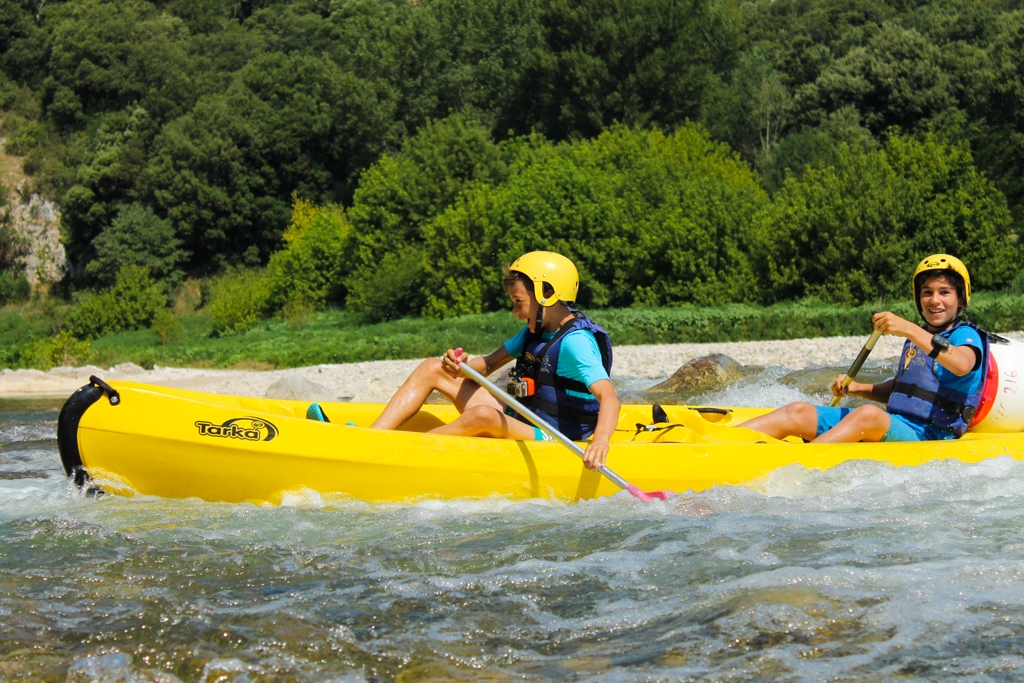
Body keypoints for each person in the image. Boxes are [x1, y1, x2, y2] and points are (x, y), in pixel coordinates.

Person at [370, 251, 621, 470]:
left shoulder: (575, 342)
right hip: (527, 417)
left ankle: (402, 454)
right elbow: (487, 365)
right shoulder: (534, 331)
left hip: (557, 435)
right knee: (431, 368)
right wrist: (459, 367)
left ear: (547, 294)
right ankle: (371, 439)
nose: (514, 312)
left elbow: (609, 398)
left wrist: (600, 441)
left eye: (518, 302)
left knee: (483, 415)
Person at [738, 254, 989, 443]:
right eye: (927, 292)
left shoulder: (965, 335)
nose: (934, 300)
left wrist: (910, 328)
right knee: (798, 410)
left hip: (931, 436)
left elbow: (962, 364)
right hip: (898, 423)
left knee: (869, 415)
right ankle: (722, 441)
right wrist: (857, 389)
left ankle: (797, 463)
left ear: (961, 297)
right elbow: (901, 390)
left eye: (944, 292)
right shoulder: (919, 339)